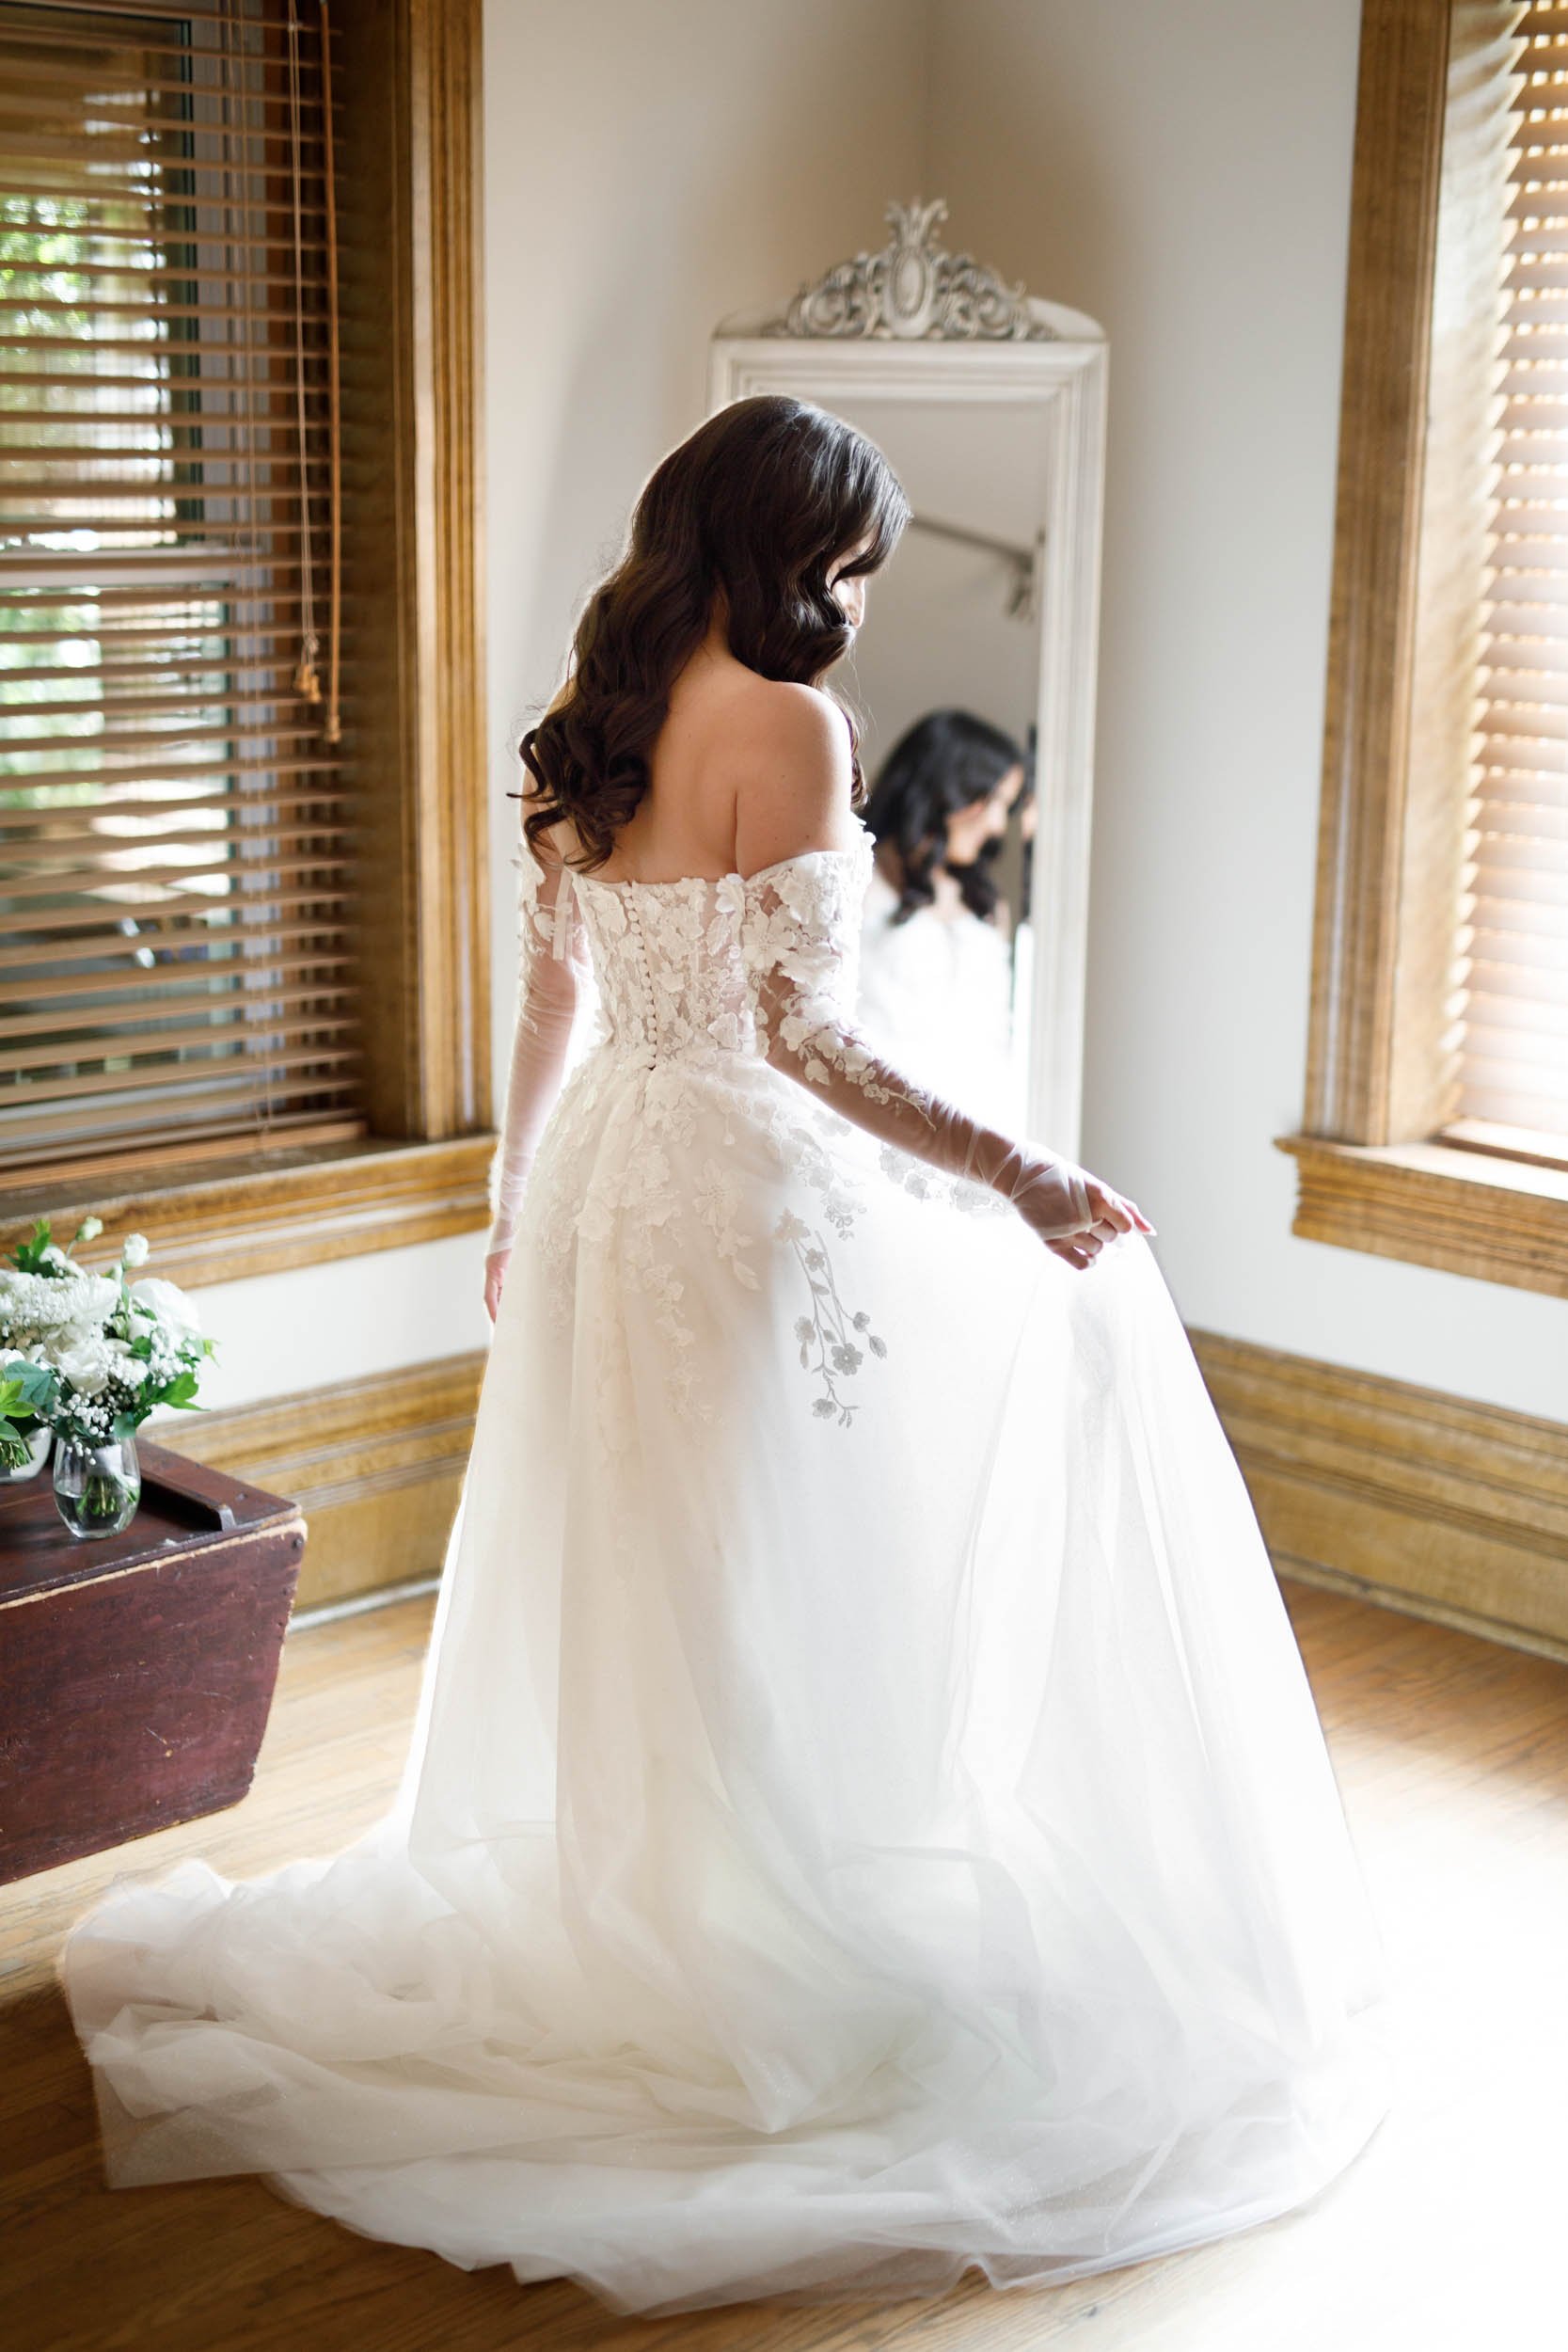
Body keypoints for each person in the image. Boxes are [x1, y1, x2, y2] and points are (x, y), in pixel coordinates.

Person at [56, 394, 1393, 2319]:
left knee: (658, 1545)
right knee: (772, 1537)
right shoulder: (791, 723)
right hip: (731, 1187)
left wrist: (514, 1197)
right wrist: (1020, 1170)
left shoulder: (595, 713)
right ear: (794, 544)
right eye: (850, 554)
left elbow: (549, 988)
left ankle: (663, 1887)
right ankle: (745, 1917)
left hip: (605, 1164)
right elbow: (808, 1046)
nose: (853, 588)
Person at [857, 708, 1031, 1127]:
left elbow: (995, 1036)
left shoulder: (986, 906)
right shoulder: (856, 876)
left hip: (978, 1123)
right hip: (877, 1118)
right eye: (991, 801)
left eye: (1004, 809)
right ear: (947, 787)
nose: (995, 825)